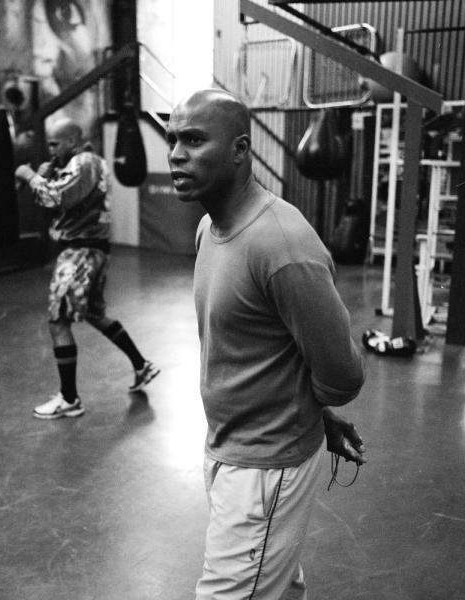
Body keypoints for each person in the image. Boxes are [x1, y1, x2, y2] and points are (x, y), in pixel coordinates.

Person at [166, 88, 366, 599]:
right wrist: (314, 414)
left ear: (240, 149)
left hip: (264, 466)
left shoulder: (280, 242)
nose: (176, 154)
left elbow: (343, 374)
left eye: (194, 140)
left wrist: (306, 416)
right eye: (172, 140)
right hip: (231, 446)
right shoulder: (210, 228)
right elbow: (261, 346)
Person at [14, 118, 159, 419]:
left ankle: (69, 399)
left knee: (58, 321)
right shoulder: (79, 164)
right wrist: (46, 175)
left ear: (72, 141)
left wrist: (29, 176)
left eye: (55, 144)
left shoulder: (85, 162)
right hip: (91, 249)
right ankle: (141, 365)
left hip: (80, 251)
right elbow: (58, 199)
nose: (51, 149)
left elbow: (55, 196)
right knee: (94, 313)